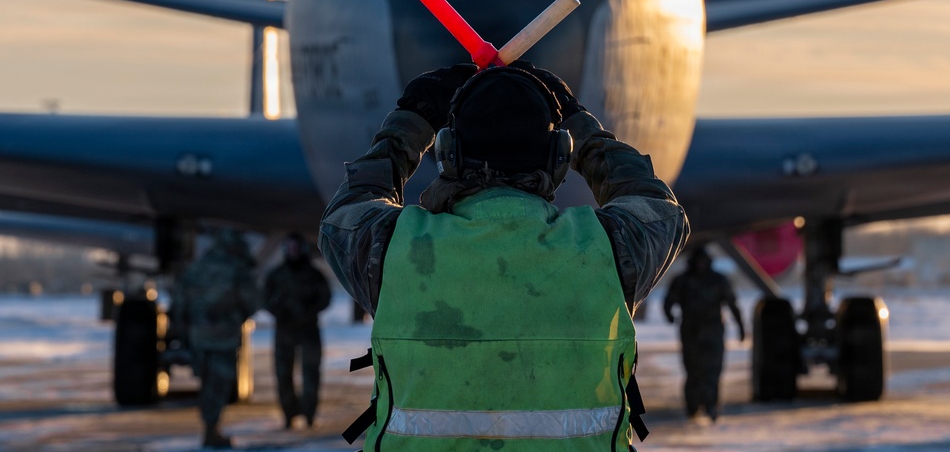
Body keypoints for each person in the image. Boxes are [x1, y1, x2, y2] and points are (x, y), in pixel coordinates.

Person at [319, 62, 690, 450]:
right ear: (558, 158)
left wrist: (409, 124)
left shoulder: (396, 248)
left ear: (448, 154)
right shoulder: (608, 249)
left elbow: (343, 218)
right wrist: (582, 126)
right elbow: (658, 209)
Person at [172, 228, 260, 449]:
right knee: (219, 384)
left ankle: (209, 427)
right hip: (224, 336)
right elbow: (252, 300)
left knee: (206, 382)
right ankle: (211, 429)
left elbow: (180, 302)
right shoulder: (237, 268)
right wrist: (236, 317)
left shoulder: (196, 268)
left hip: (199, 335)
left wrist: (185, 329)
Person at [663, 245, 745, 422]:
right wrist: (669, 315)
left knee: (712, 371)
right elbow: (669, 301)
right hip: (691, 332)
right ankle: (693, 407)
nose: (700, 265)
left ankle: (711, 406)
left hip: (713, 332)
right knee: (693, 370)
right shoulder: (683, 280)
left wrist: (741, 327)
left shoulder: (718, 280)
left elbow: (732, 304)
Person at [263, 232, 332, 429]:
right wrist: (279, 312)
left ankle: (309, 413)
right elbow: (265, 298)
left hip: (308, 330)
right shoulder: (277, 275)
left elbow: (325, 298)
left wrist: (309, 310)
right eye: (290, 247)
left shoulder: (313, 274)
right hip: (285, 331)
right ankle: (289, 413)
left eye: (296, 247)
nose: (293, 251)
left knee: (311, 373)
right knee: (283, 373)